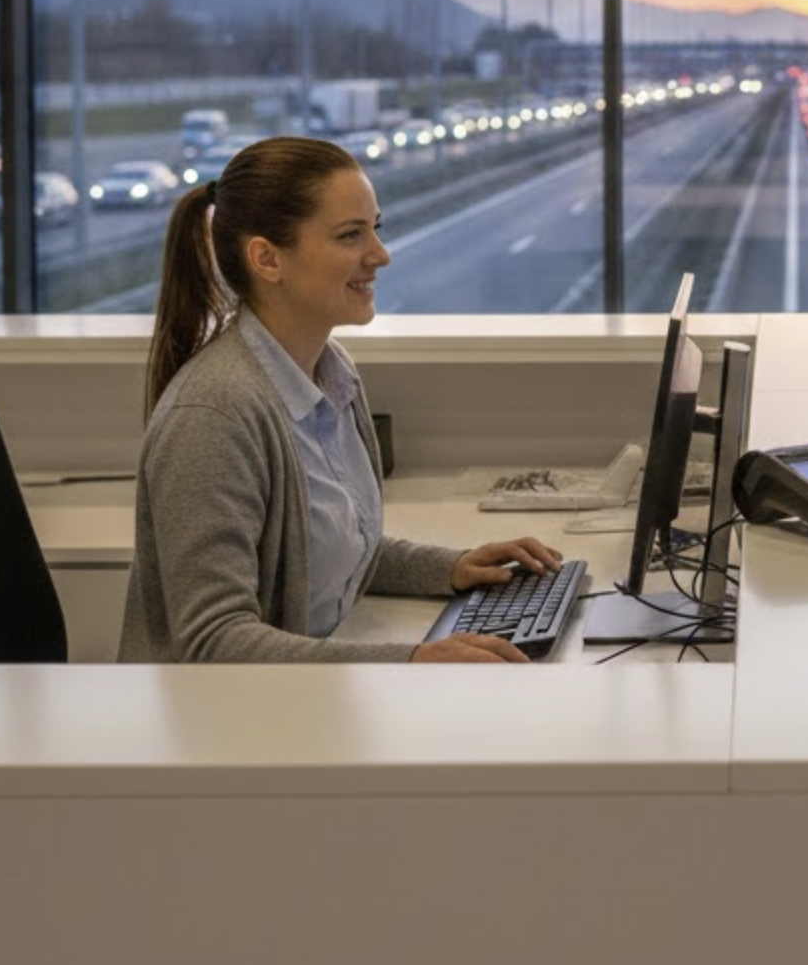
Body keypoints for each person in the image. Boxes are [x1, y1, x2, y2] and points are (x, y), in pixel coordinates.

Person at [120, 135, 562, 664]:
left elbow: (333, 552)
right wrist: (411, 662)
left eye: (376, 229)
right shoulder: (214, 416)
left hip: (308, 699)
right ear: (266, 258)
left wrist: (452, 567)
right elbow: (215, 643)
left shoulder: (331, 371)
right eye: (351, 235)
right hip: (223, 728)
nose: (380, 255)